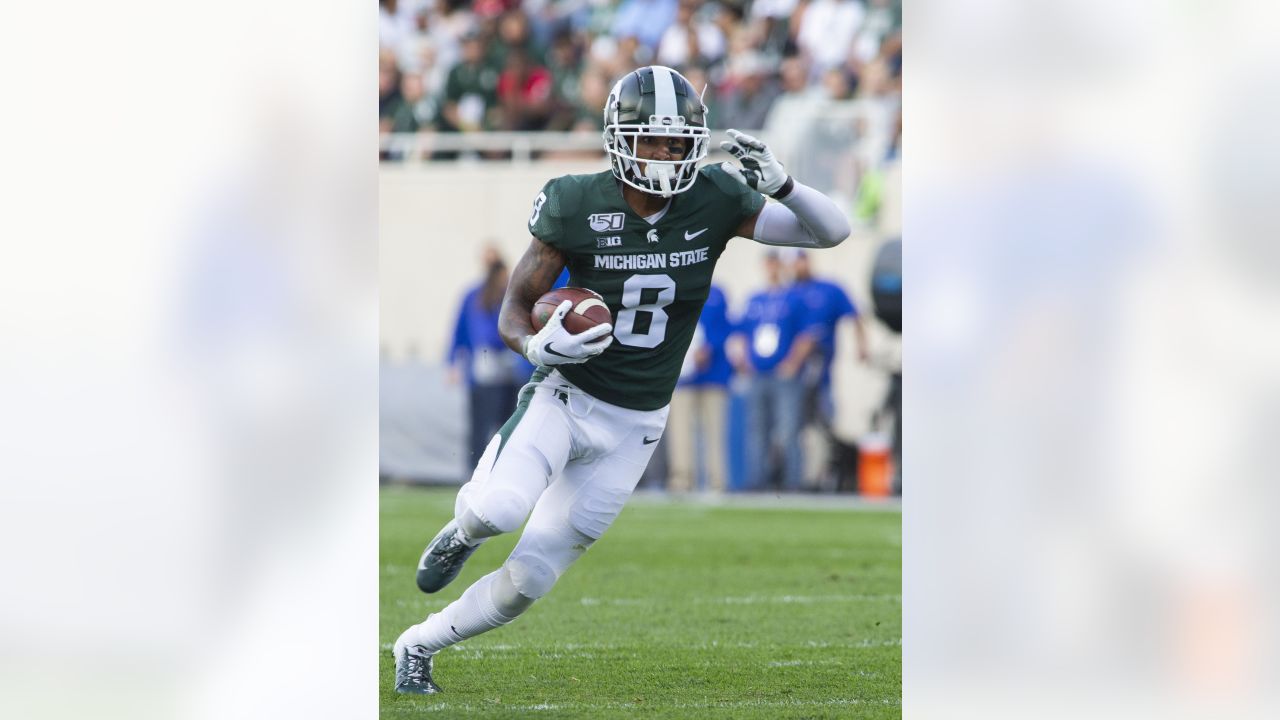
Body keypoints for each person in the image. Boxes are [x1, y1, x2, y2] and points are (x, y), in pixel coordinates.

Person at [393, 65, 851, 694]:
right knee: (501, 509)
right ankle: (462, 529)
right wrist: (533, 343)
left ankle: (416, 644)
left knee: (529, 582)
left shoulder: (715, 198)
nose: (667, 152)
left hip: (637, 423)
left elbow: (832, 232)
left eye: (678, 139)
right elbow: (513, 307)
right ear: (618, 138)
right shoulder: (577, 202)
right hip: (566, 394)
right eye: (653, 139)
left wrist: (788, 185)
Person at [733, 250, 817, 491]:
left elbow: (806, 335)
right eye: (768, 264)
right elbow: (740, 333)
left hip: (784, 375)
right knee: (756, 429)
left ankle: (793, 481)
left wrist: (792, 363)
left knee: (789, 428)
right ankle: (756, 481)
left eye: (776, 264)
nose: (772, 269)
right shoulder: (754, 299)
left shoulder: (795, 298)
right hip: (757, 373)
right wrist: (743, 361)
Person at [447, 247, 535, 469]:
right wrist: (453, 363)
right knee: (483, 425)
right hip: (486, 372)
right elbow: (463, 333)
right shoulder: (475, 296)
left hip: (509, 371)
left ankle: (497, 468)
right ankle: (475, 470)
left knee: (504, 424)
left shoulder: (510, 296)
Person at [786, 248, 869, 428]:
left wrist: (862, 346)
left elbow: (855, 315)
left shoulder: (828, 289)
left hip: (822, 368)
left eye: (803, 259)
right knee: (793, 423)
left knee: (824, 420)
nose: (800, 265)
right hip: (792, 375)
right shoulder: (787, 294)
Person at [667, 283, 733, 492]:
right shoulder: (674, 289)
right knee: (680, 430)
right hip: (683, 375)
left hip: (714, 375)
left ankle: (717, 480)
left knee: (715, 430)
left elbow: (724, 328)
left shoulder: (717, 293)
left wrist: (708, 348)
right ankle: (682, 478)